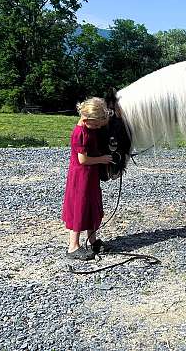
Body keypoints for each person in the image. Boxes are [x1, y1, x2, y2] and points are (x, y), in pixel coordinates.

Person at [62, 97, 113, 260]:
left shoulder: (90, 128)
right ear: (86, 119)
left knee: (92, 206)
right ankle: (73, 246)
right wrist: (102, 159)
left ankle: (93, 240)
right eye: (96, 124)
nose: (98, 128)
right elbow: (82, 160)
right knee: (80, 207)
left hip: (90, 177)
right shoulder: (80, 133)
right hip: (81, 178)